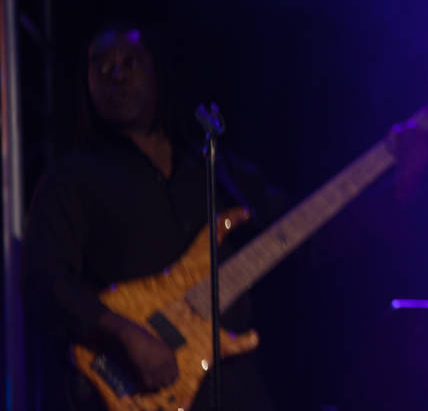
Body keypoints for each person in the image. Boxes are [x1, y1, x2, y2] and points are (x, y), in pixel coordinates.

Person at [23, 23, 274, 411]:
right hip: (138, 394)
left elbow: (305, 235)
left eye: (129, 62)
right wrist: (123, 331)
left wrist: (391, 182)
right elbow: (43, 280)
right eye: (101, 67)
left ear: (158, 71)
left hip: (234, 391)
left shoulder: (214, 168)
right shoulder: (71, 178)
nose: (116, 74)